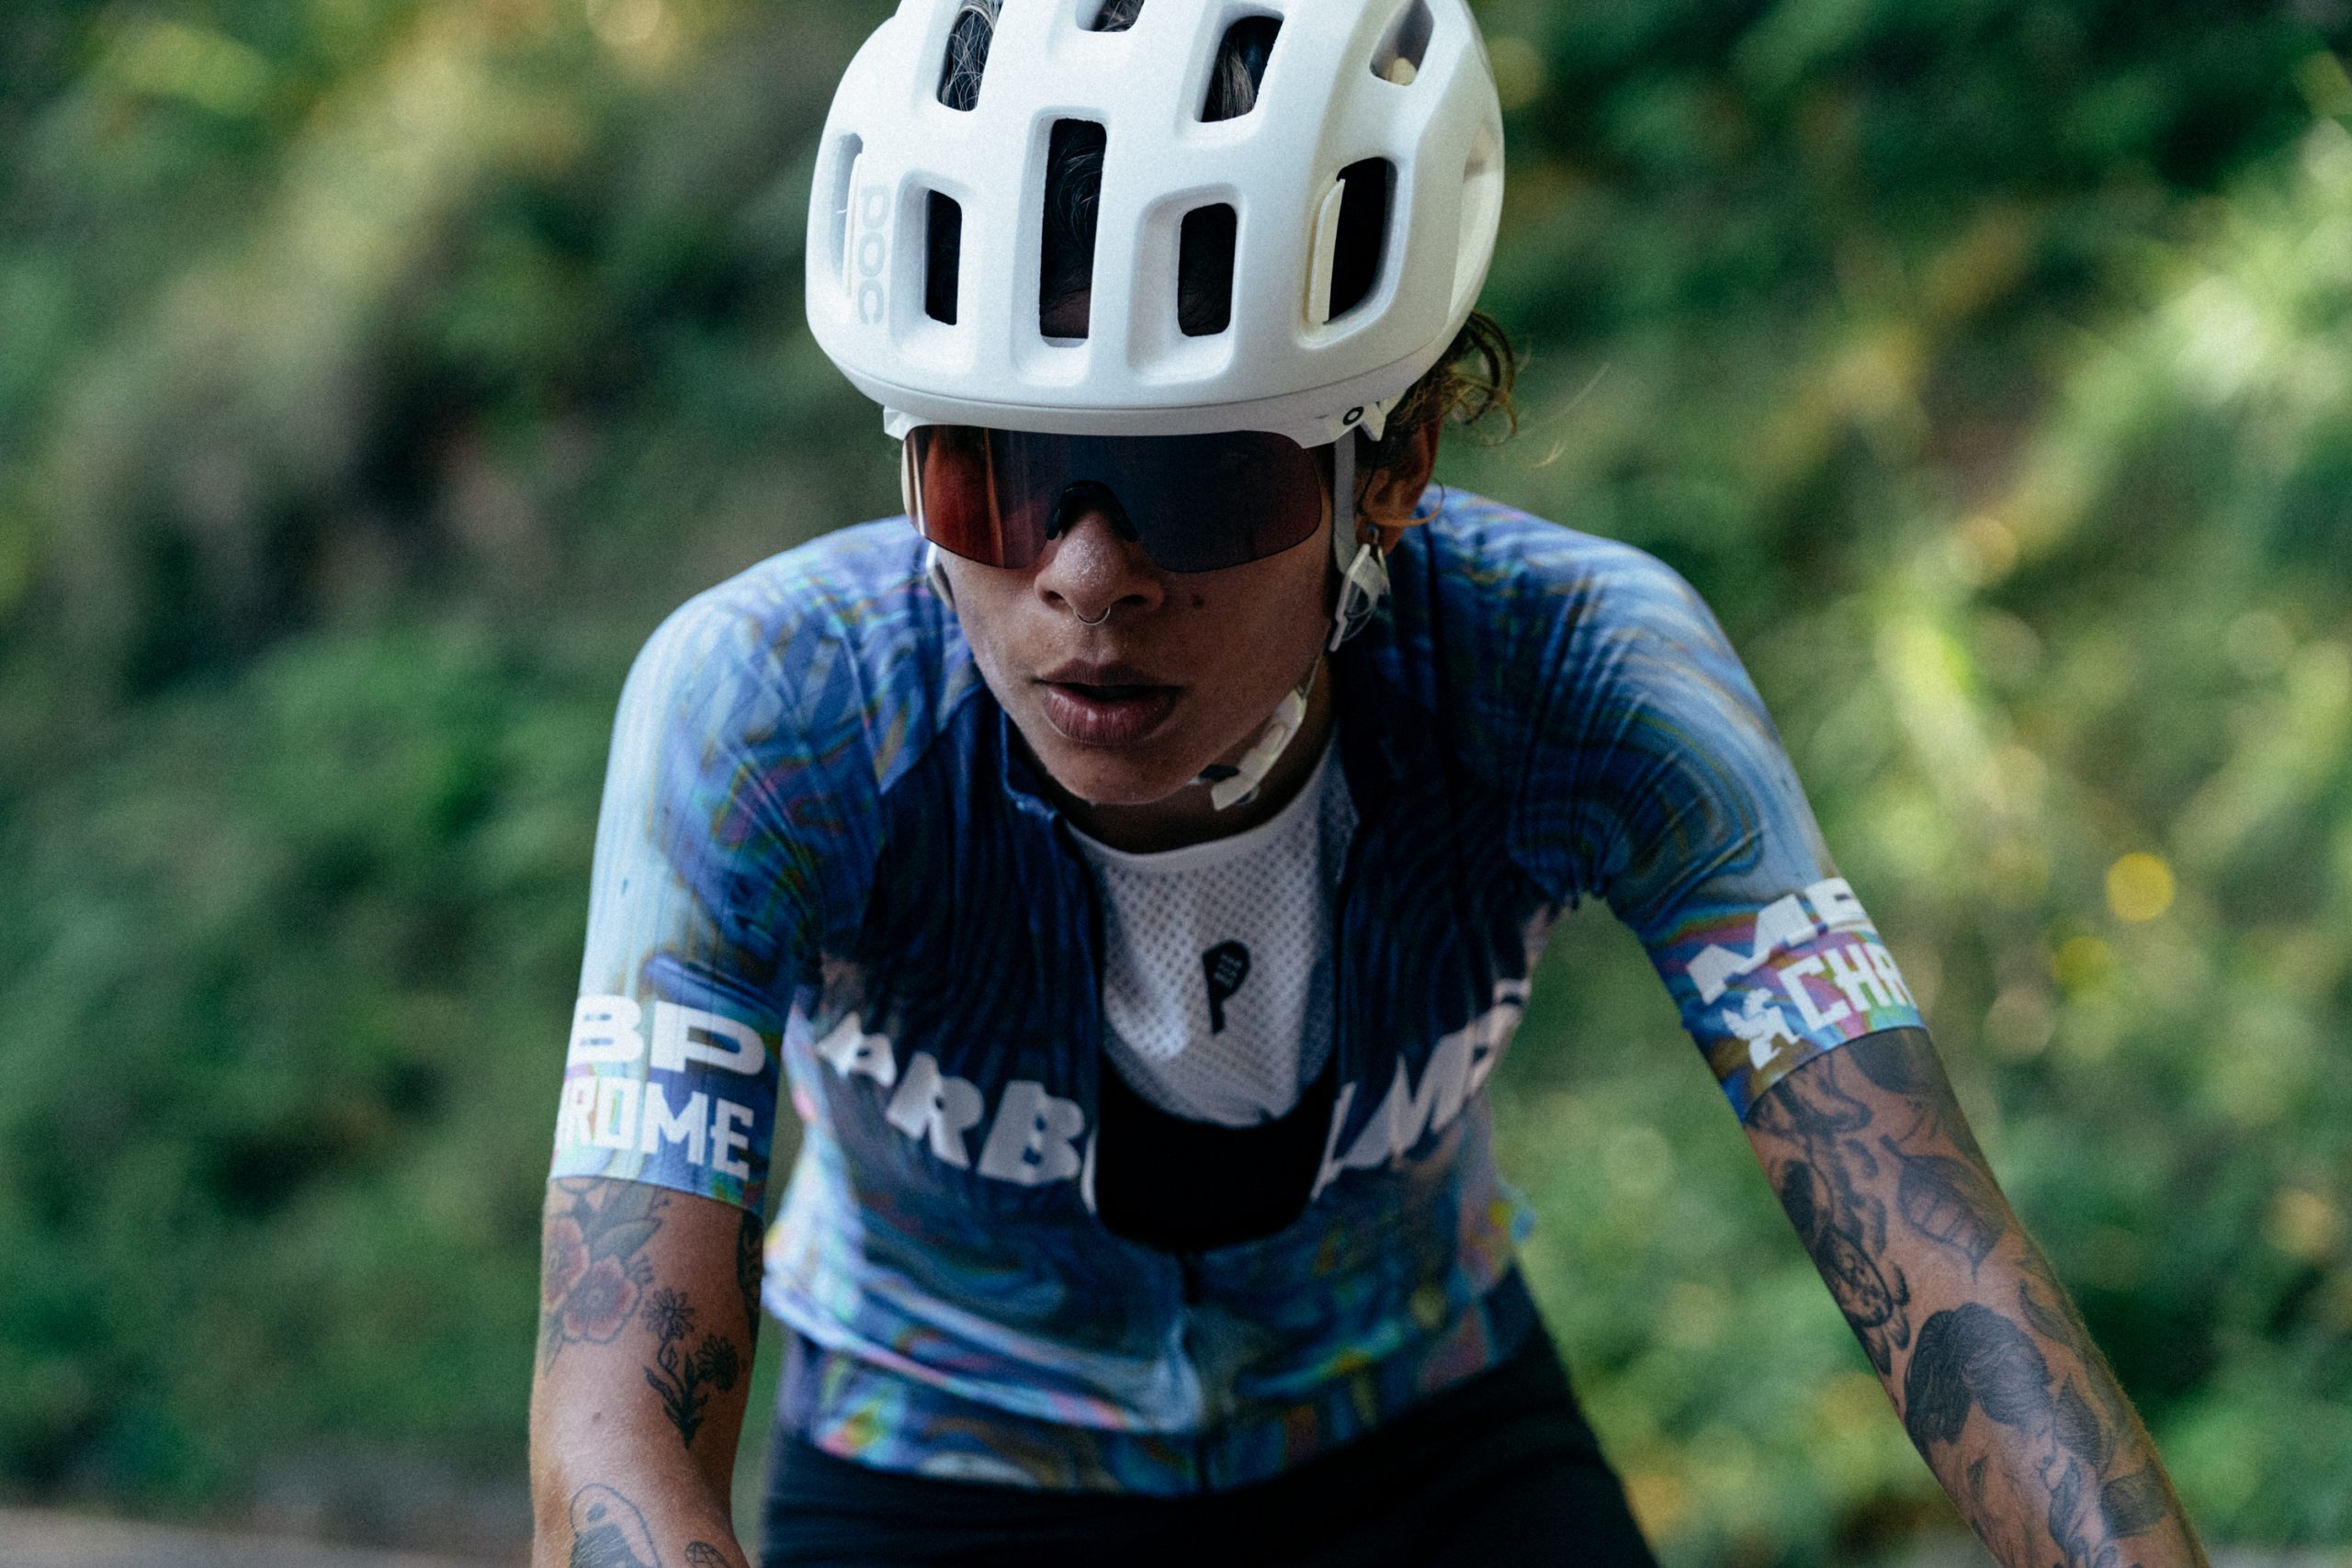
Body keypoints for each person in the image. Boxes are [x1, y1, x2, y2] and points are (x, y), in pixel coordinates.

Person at [529, 4, 2211, 1566]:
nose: (1089, 581)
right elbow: (614, 1427)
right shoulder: (773, 709)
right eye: (993, 477)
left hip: (1422, 1427)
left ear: (1390, 463)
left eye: (1201, 483)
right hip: (936, 1453)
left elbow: (1936, 1258)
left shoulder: (1577, 669)